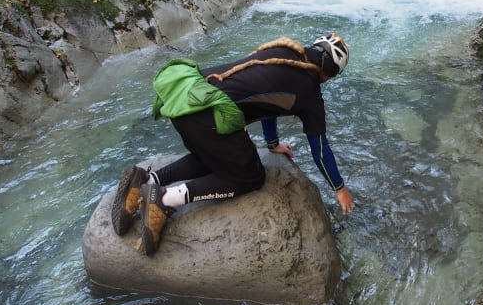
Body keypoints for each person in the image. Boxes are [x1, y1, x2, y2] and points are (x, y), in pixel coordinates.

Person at [110, 33, 354, 256]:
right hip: (206, 115)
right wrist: (340, 189)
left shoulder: (285, 52)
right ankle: (164, 199)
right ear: (327, 76)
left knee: (220, 157)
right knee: (250, 177)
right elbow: (320, 151)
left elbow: (272, 103)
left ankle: (148, 180)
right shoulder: (310, 95)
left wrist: (272, 144)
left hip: (184, 99)